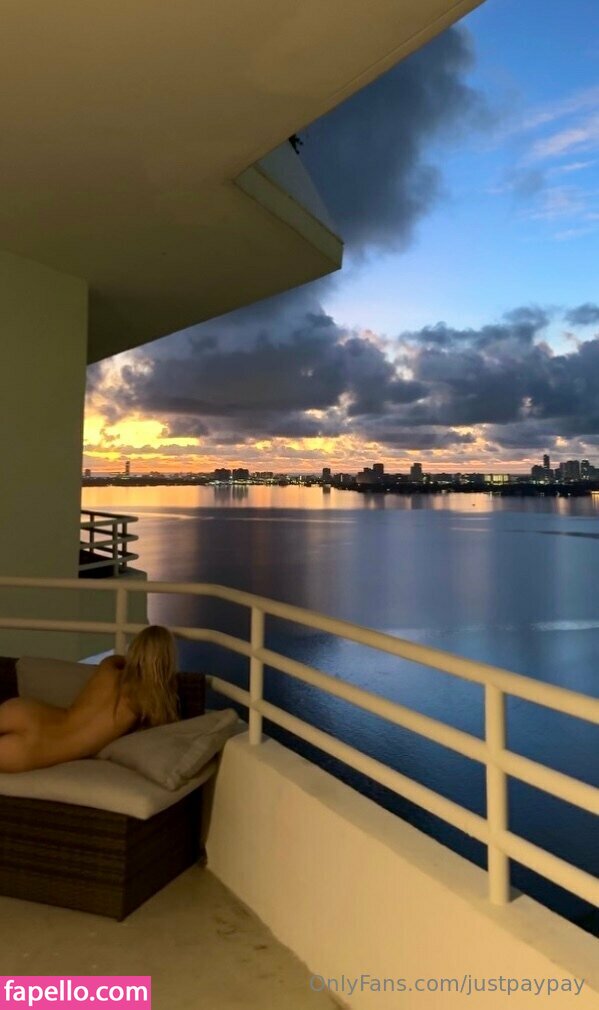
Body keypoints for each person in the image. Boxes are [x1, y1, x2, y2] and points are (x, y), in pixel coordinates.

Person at [0, 625, 179, 773]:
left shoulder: (109, 668)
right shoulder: (147, 703)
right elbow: (165, 732)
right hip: (39, 748)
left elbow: (118, 659)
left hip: (28, 712)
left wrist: (135, 659)